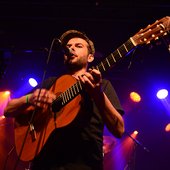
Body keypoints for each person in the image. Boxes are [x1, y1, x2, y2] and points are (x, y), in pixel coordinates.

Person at [4, 30, 125, 170]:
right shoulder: (50, 83)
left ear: (90, 57)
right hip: (44, 165)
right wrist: (29, 98)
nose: (71, 48)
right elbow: (8, 110)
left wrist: (97, 94)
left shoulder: (103, 85)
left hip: (84, 165)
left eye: (78, 46)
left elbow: (119, 130)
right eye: (68, 46)